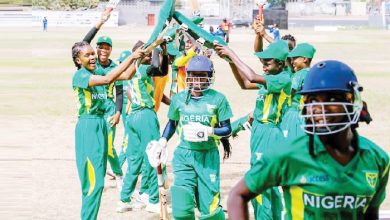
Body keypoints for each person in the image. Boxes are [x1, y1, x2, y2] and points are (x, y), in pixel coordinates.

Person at [227, 60, 389, 220]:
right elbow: (238, 195)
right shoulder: (288, 154)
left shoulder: (377, 159)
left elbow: (370, 213)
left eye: (331, 99)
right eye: (312, 100)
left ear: (352, 100)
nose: (319, 108)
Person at [147, 55, 233, 219]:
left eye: (202, 74)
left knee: (210, 208)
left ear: (210, 76)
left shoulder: (218, 98)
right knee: (181, 202)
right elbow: (172, 123)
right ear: (188, 75)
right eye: (194, 74)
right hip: (184, 155)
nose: (198, 79)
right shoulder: (179, 99)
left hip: (207, 156)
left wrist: (209, 131)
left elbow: (227, 129)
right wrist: (162, 141)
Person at [215, 40, 291, 219]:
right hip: (261, 132)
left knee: (259, 185)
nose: (264, 66)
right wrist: (231, 62)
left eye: (268, 63)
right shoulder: (272, 78)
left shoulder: (282, 78)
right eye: (262, 62)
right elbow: (245, 84)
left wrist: (232, 53)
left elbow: (251, 77)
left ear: (280, 63)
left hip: (268, 133)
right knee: (269, 185)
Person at [71, 41, 143, 220]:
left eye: (92, 53)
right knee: (93, 183)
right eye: (87, 55)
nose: (93, 56)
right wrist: (132, 57)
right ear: (78, 60)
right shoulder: (80, 76)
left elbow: (126, 75)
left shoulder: (97, 71)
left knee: (98, 181)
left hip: (101, 124)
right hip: (88, 126)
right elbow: (107, 79)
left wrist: (139, 59)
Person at [117, 40, 169, 213]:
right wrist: (155, 47)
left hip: (132, 117)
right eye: (145, 54)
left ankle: (124, 199)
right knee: (155, 155)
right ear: (139, 54)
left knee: (135, 160)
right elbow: (157, 66)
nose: (149, 57)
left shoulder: (131, 70)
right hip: (145, 115)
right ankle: (153, 200)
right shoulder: (141, 68)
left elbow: (162, 70)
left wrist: (165, 52)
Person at [82, 11, 125, 189]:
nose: (103, 50)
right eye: (100, 47)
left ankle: (119, 174)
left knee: (107, 147)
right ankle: (98, 179)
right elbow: (83, 43)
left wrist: (117, 113)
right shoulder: (92, 63)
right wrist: (101, 21)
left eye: (107, 47)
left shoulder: (115, 67)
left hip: (108, 110)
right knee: (95, 148)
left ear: (110, 50)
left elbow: (120, 92)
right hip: (93, 111)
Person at [280, 43, 316, 140]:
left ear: (304, 59)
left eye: (295, 58)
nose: (292, 62)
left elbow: (287, 92)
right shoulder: (313, 73)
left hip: (293, 116)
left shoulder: (300, 74)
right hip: (307, 117)